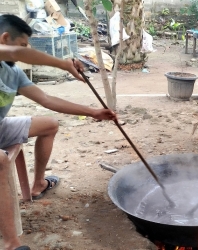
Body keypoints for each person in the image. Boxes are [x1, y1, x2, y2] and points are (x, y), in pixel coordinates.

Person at [0, 14, 117, 250]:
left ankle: (39, 184)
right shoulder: (8, 55)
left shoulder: (13, 73)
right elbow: (16, 53)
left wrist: (93, 111)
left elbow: (46, 99)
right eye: (23, 45)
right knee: (0, 161)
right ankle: (12, 243)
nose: (26, 51)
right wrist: (63, 63)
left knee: (50, 124)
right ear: (5, 38)